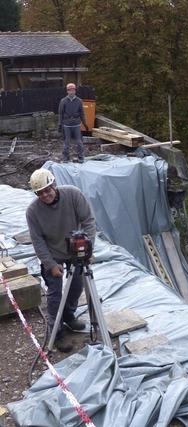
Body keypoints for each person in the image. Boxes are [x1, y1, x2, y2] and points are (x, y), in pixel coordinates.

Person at [26, 169, 96, 352]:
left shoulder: (73, 194)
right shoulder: (33, 212)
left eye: (48, 189)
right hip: (52, 252)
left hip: (75, 249)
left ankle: (68, 316)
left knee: (76, 286)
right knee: (55, 293)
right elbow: (38, 241)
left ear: (54, 185)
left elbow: (88, 220)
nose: (45, 195)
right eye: (40, 193)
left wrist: (87, 250)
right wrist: (50, 264)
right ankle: (55, 332)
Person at [58, 83, 88, 163]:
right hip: (67, 125)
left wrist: (85, 124)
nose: (71, 92)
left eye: (73, 90)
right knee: (66, 143)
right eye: (70, 90)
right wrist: (60, 125)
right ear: (67, 91)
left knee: (79, 142)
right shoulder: (63, 101)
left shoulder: (79, 101)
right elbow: (61, 113)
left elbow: (82, 113)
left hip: (76, 124)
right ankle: (65, 158)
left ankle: (81, 157)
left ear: (75, 91)